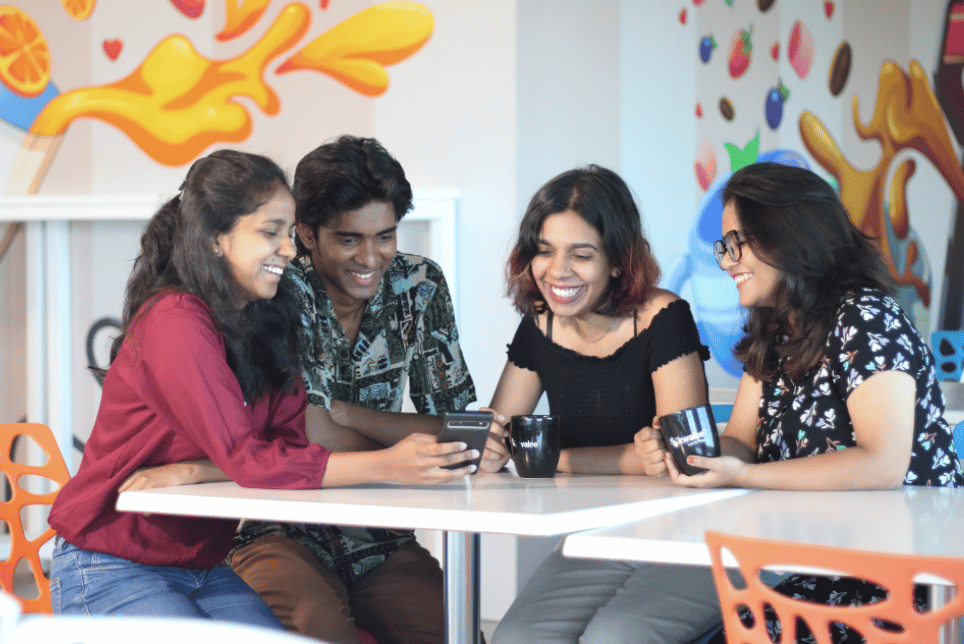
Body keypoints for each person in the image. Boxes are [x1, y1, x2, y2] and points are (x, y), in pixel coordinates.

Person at [47, 150, 476, 627]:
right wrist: (386, 463)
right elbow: (248, 455)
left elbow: (284, 444)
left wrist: (194, 471)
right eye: (271, 233)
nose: (290, 251)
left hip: (200, 566)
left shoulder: (269, 313)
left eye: (288, 234)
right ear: (214, 239)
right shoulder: (175, 320)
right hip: (111, 562)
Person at [670, 161, 964, 643]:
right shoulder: (774, 328)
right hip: (815, 561)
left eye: (736, 243)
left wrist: (744, 476)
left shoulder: (868, 317)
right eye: (724, 247)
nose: (726, 262)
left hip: (899, 577)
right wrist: (703, 459)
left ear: (789, 234)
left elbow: (882, 465)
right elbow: (741, 439)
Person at [490, 165, 721, 644]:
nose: (558, 271)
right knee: (516, 637)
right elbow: (502, 440)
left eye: (582, 254)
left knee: (614, 637)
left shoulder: (665, 317)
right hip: (597, 539)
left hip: (683, 539)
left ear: (618, 261)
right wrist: (625, 461)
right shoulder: (540, 323)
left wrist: (545, 459)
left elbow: (682, 464)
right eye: (545, 251)